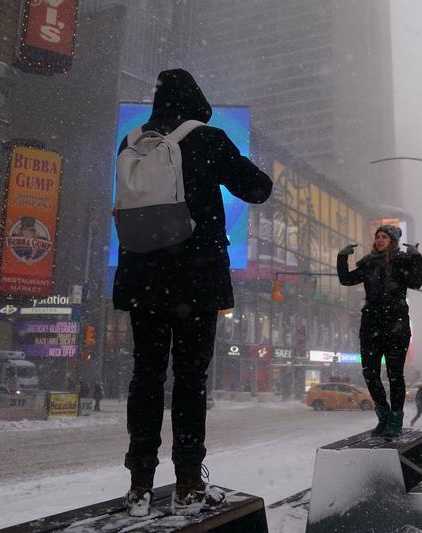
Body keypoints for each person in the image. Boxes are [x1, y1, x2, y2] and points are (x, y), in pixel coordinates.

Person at [113, 69, 272, 517]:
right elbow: (257, 188)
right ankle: (187, 483)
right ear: (196, 97)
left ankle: (139, 484)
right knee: (189, 379)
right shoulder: (208, 138)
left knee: (146, 377)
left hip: (141, 274)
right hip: (195, 279)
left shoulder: (132, 141)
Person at [337, 225, 422, 438]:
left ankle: (395, 419)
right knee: (369, 372)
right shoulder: (368, 263)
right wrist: (341, 257)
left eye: (384, 237)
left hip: (396, 325)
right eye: (377, 237)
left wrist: (416, 258)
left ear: (392, 240)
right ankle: (383, 415)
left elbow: (416, 282)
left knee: (395, 375)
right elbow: (346, 279)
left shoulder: (402, 261)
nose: (380, 240)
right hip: (371, 325)